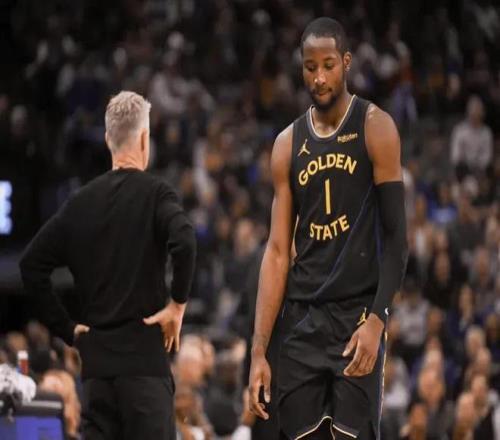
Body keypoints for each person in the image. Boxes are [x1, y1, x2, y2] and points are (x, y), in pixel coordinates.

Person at [249, 18, 408, 439]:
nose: (319, 77)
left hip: (357, 317)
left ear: (346, 62)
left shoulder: (375, 127)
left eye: (328, 65)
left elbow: (397, 239)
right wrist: (258, 350)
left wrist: (377, 320)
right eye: (310, 67)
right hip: (301, 320)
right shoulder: (287, 144)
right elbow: (277, 252)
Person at [19, 91, 196, 439]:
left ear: (107, 139)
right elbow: (185, 240)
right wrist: (177, 305)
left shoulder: (79, 204)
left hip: (97, 377)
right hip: (145, 373)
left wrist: (67, 328)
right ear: (144, 139)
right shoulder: (156, 193)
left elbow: (31, 266)